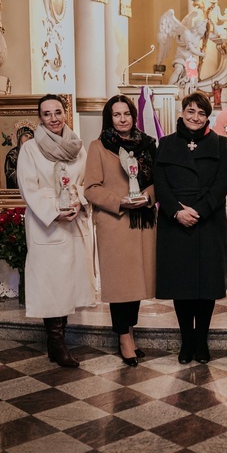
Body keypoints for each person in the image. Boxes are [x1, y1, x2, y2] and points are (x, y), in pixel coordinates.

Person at [17, 94, 95, 368]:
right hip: (46, 223)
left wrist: (78, 202)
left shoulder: (77, 146)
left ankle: (57, 340)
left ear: (65, 114)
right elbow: (28, 187)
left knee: (68, 283)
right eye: (47, 114)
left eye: (58, 112)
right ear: (40, 117)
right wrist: (54, 212)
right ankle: (56, 342)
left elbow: (87, 182)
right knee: (51, 283)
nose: (53, 118)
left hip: (73, 218)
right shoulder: (30, 149)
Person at [155, 91, 227, 364]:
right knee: (183, 287)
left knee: (205, 288)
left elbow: (222, 183)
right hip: (175, 224)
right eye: (191, 111)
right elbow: (160, 184)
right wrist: (177, 212)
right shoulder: (164, 144)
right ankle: (186, 341)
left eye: (201, 113)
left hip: (207, 223)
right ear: (182, 112)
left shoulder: (220, 144)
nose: (195, 117)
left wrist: (198, 211)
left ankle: (202, 342)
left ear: (207, 116)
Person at [85, 95, 157, 368]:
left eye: (126, 114)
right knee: (120, 286)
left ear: (133, 116)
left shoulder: (148, 145)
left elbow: (158, 181)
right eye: (116, 115)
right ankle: (124, 337)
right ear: (109, 118)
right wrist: (120, 201)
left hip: (143, 223)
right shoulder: (99, 146)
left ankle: (130, 332)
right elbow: (90, 187)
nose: (123, 119)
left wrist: (147, 197)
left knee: (136, 284)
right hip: (116, 223)